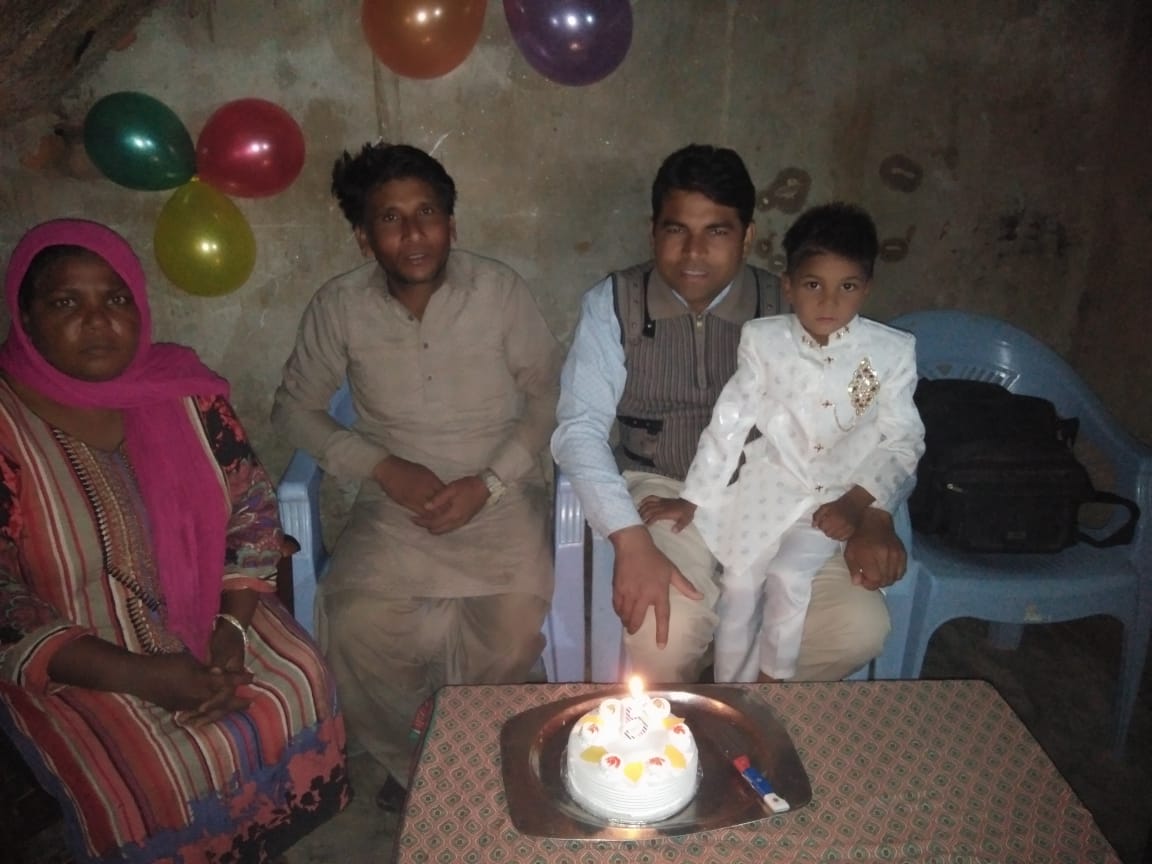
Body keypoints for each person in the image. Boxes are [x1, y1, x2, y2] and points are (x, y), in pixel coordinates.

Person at [0, 219, 349, 863]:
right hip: (81, 647)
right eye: (66, 302)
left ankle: (259, 841)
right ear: (23, 315)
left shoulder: (186, 392)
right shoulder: (7, 427)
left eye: (116, 298)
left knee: (298, 676)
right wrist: (143, 675)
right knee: (150, 766)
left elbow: (251, 508)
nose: (98, 320)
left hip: (208, 610)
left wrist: (232, 629)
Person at [272, 143, 562, 810]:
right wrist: (380, 467)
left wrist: (488, 482)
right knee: (356, 620)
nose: (413, 234)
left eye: (427, 213)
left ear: (452, 224)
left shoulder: (499, 292)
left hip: (500, 495)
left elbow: (549, 397)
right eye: (391, 218)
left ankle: (474, 744)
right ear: (363, 235)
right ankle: (414, 766)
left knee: (515, 623)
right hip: (396, 508)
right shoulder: (339, 306)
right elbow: (294, 409)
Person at [552, 145, 909, 685]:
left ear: (746, 236)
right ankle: (694, 710)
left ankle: (750, 711)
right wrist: (629, 538)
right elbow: (579, 430)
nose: (693, 252)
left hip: (785, 497)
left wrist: (874, 509)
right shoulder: (615, 303)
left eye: (717, 231)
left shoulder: (795, 299)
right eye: (676, 230)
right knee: (662, 632)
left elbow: (876, 421)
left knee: (855, 626)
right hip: (664, 494)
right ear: (654, 231)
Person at [668, 203, 925, 681]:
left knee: (788, 576)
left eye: (846, 287)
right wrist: (693, 498)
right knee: (741, 584)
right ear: (788, 286)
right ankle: (730, 690)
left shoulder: (888, 353)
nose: (829, 303)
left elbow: (904, 440)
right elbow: (730, 422)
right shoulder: (764, 342)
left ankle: (774, 683)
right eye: (813, 285)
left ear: (866, 288)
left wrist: (857, 502)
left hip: (838, 498)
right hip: (771, 486)